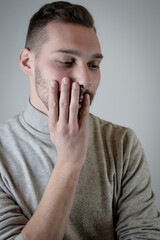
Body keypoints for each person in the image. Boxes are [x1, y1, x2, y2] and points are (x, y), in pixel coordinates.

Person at [0, 1, 160, 239]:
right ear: (27, 62)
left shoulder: (122, 142)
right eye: (66, 62)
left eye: (94, 65)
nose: (85, 79)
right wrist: (69, 161)